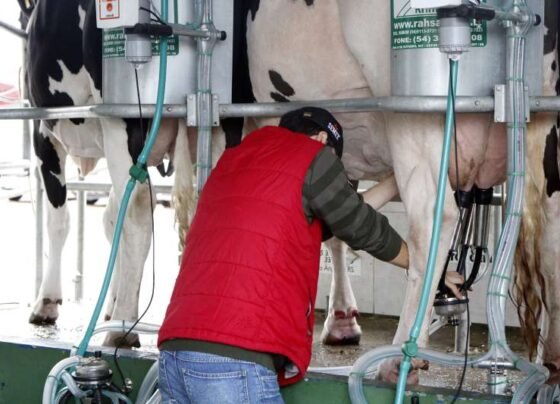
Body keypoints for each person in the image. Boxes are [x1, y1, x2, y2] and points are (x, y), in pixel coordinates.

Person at [157, 107, 461, 403]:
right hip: (234, 360)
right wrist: (426, 265)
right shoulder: (312, 155)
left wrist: (402, 175)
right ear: (321, 140)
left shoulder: (235, 161)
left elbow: (345, 211)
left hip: (175, 352)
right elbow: (361, 226)